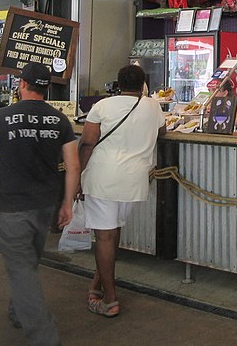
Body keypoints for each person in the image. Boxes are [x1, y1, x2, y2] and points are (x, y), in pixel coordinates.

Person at [0, 62, 79, 346]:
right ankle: (17, 310)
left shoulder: (1, 117)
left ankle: (45, 338)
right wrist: (67, 203)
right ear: (46, 87)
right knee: (27, 262)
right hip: (45, 205)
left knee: (21, 269)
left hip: (12, 206)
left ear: (22, 85)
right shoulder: (60, 121)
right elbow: (73, 166)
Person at [79, 64, 166, 318]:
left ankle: (111, 300)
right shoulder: (152, 106)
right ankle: (97, 285)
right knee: (112, 233)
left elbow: (86, 144)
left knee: (104, 238)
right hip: (134, 182)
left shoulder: (102, 107)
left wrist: (75, 180)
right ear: (142, 85)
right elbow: (163, 132)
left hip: (103, 179)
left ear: (118, 84)